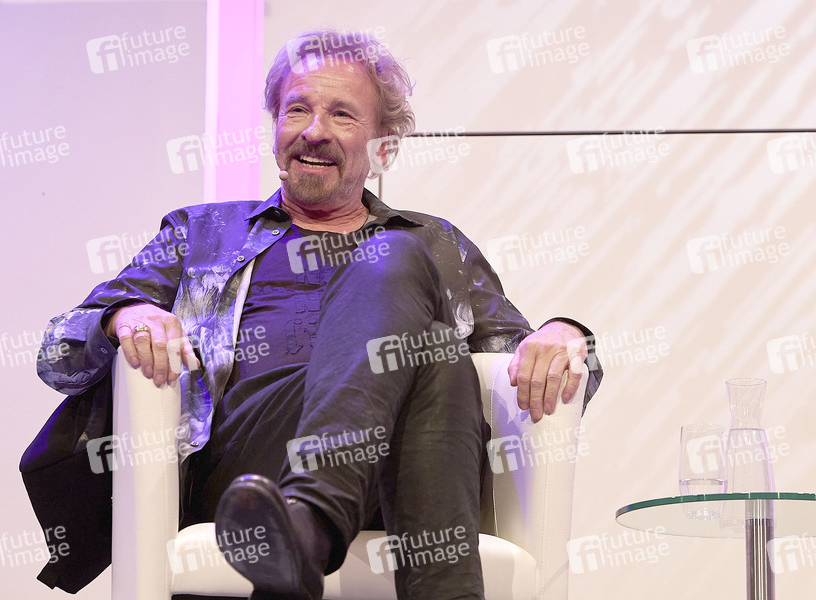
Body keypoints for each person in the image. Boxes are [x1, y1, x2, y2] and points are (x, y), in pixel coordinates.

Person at [35, 29, 602, 600]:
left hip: (407, 468)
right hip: (250, 464)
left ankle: (308, 526)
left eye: (342, 114)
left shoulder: (437, 243)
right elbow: (58, 354)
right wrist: (122, 314)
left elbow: (546, 364)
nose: (313, 131)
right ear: (275, 126)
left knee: (432, 349)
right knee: (422, 324)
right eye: (297, 109)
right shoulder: (203, 232)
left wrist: (566, 333)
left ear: (383, 145)